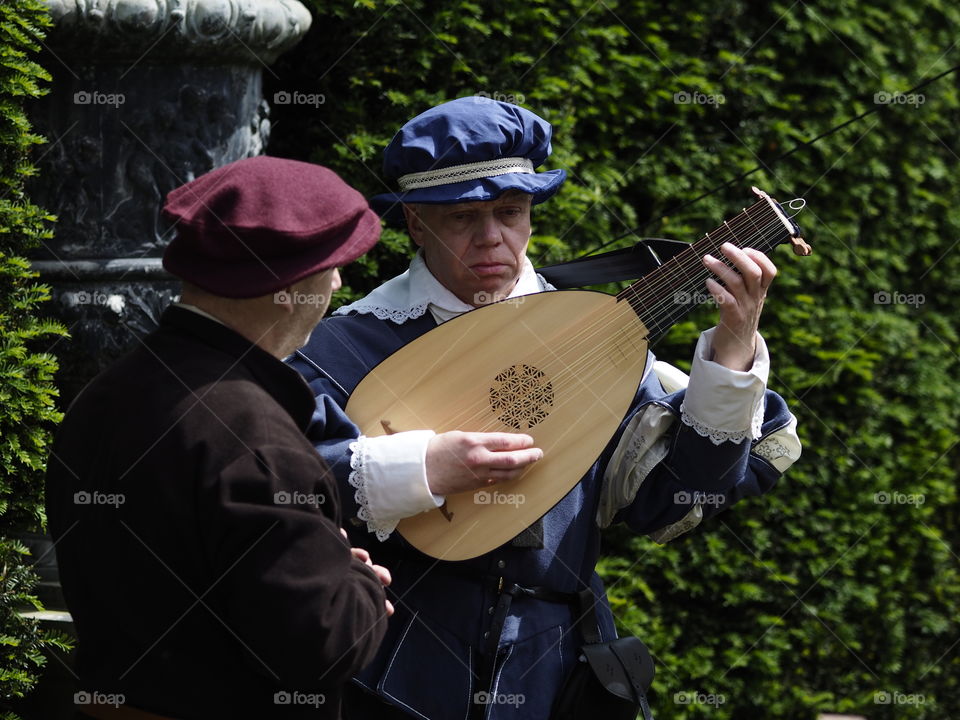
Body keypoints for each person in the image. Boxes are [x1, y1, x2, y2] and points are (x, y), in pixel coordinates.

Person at [289, 98, 802, 720]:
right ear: (416, 224)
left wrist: (732, 349)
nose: (491, 237)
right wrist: (420, 466)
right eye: (462, 217)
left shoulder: (590, 346)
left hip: (554, 673)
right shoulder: (346, 346)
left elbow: (676, 501)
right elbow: (278, 495)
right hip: (395, 667)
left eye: (510, 212)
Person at [45, 156, 393, 720]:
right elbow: (324, 645)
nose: (337, 282)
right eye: (333, 265)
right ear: (289, 286)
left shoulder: (106, 393)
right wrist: (358, 584)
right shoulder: (255, 437)